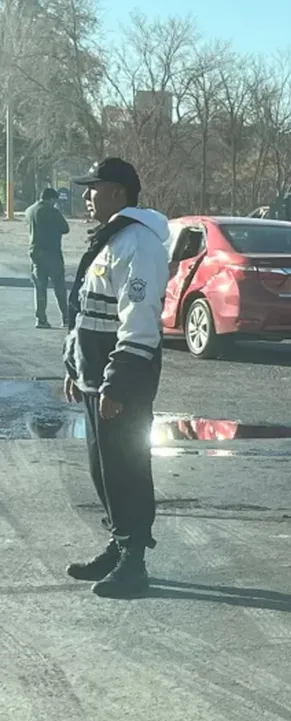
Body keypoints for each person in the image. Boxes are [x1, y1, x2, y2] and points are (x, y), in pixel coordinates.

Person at [62, 157, 170, 599]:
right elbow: (86, 311)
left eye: (95, 187)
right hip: (96, 379)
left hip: (120, 382)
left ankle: (134, 562)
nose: (87, 196)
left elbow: (139, 321)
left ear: (119, 193)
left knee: (126, 469)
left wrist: (117, 384)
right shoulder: (110, 241)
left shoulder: (139, 244)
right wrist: (74, 367)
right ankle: (118, 542)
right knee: (102, 469)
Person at [25, 187, 71, 329]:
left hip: (35, 253)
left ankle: (41, 319)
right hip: (52, 253)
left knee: (40, 287)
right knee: (59, 288)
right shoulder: (52, 211)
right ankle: (66, 318)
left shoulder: (29, 210)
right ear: (51, 199)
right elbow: (65, 228)